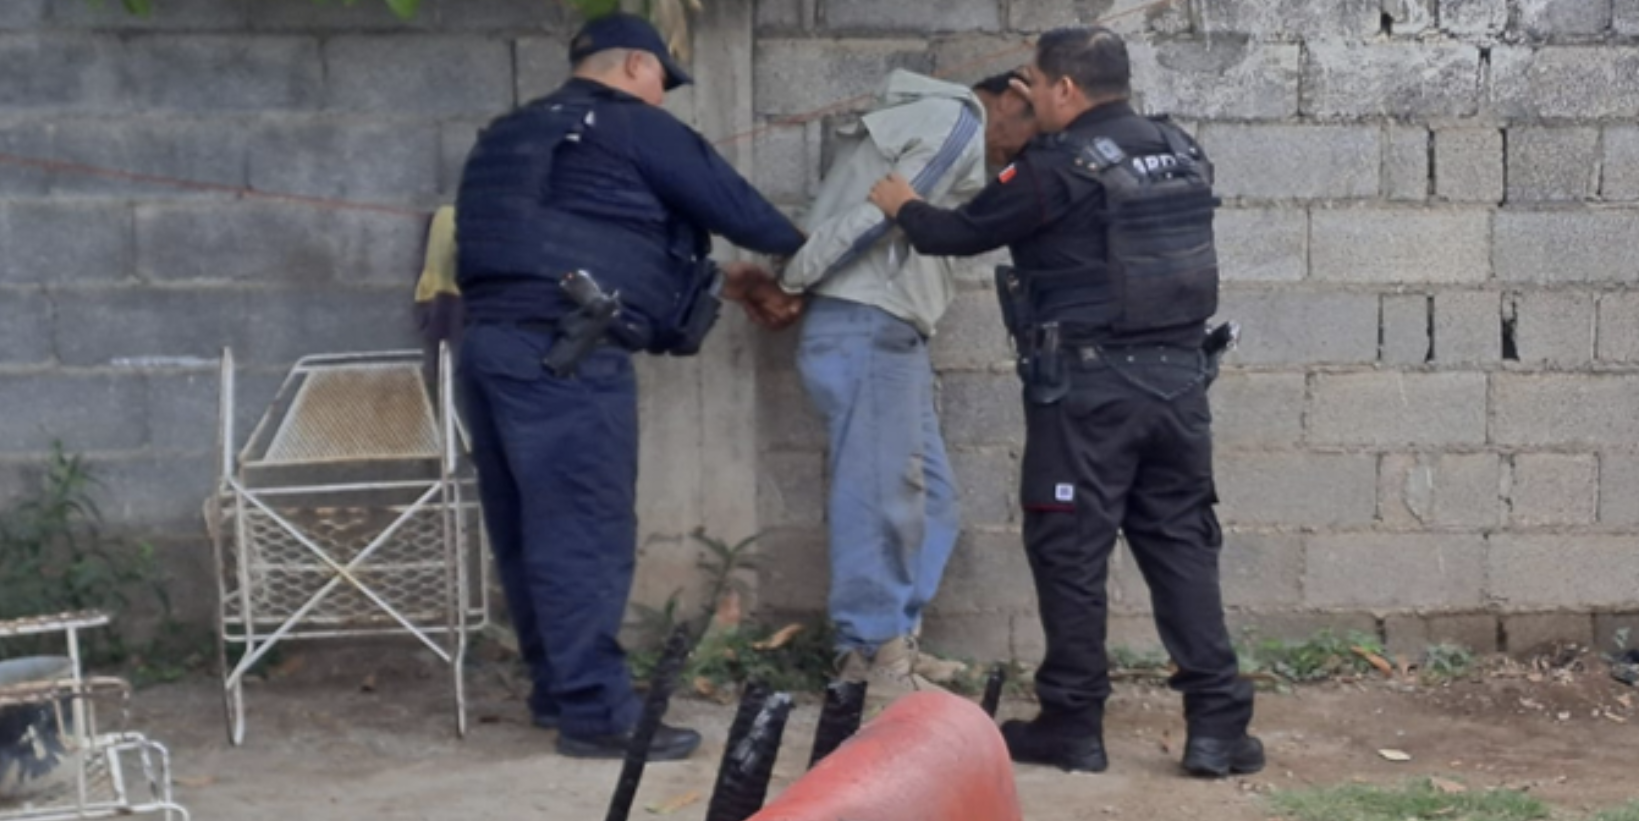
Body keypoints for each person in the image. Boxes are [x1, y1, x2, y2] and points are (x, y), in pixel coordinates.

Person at [866, 28, 1263, 779]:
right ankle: (1218, 727)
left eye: (1035, 83)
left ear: (1066, 89)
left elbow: (958, 233)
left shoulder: (1056, 168)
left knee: (1070, 550)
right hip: (1180, 387)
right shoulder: (1178, 149)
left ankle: (1073, 724)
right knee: (1180, 546)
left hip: (1087, 393)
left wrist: (902, 205)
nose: (1028, 95)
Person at [454, 14, 804, 762]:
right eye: (662, 82)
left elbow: (581, 238)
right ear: (639, 67)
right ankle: (597, 716)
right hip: (566, 355)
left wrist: (718, 281)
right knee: (584, 530)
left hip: (487, 348)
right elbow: (750, 217)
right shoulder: (632, 126)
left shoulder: (511, 134)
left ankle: (559, 693)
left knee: (528, 531)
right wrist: (813, 256)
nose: (663, 98)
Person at [732, 72, 1039, 702]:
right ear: (1012, 95)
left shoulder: (918, 118)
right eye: (1026, 134)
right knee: (880, 498)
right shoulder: (959, 121)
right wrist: (794, 279)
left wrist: (799, 273)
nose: (1016, 153)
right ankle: (869, 656)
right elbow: (880, 215)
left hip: (886, 329)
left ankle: (893, 638)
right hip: (867, 324)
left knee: (932, 502)